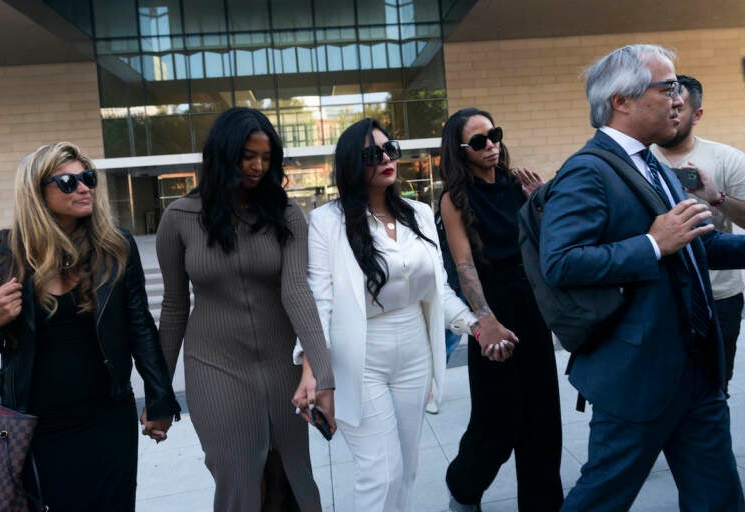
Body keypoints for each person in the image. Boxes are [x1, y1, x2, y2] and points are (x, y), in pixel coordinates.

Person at [540, 44, 745, 511]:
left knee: (719, 499)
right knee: (602, 498)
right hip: (637, 377)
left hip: (696, 368)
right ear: (622, 100)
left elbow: (698, 244)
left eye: (679, 89)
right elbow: (562, 262)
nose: (679, 99)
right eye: (668, 87)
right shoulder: (587, 171)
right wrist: (652, 244)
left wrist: (671, 240)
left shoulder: (655, 165)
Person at [0, 142, 181, 511]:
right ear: (37, 193)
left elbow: (140, 328)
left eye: (88, 178)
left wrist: (160, 397)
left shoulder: (114, 247)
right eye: (69, 182)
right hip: (35, 429)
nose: (85, 187)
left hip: (107, 419)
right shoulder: (4, 252)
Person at [299, 118, 484, 512]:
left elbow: (438, 289)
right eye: (372, 154)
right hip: (360, 356)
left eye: (390, 149)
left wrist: (475, 325)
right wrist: (313, 370)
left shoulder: (417, 213)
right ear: (352, 164)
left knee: (406, 469)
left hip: (414, 352)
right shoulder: (327, 222)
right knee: (379, 472)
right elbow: (320, 300)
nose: (385, 158)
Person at [156, 107, 335, 512]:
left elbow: (297, 291)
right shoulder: (179, 217)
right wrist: (159, 391)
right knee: (237, 475)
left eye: (266, 157)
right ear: (222, 155)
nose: (257, 167)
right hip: (214, 366)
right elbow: (173, 308)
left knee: (287, 475)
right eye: (248, 156)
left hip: (280, 365)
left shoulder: (286, 215)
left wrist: (322, 373)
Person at [438, 107, 563, 511]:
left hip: (531, 306)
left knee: (544, 419)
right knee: (499, 420)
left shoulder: (515, 185)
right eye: (478, 141)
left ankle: (542, 504)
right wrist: (484, 320)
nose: (491, 145)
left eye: (494, 135)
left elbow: (548, 247)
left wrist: (539, 202)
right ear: (461, 151)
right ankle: (463, 486)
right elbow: (463, 265)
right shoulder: (454, 198)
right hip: (491, 310)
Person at [652, 74, 745, 393]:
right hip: (658, 296)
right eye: (667, 104)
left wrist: (715, 196)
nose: (672, 112)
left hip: (720, 297)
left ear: (698, 114)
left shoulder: (727, 158)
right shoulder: (637, 160)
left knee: (715, 384)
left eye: (679, 106)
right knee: (666, 388)